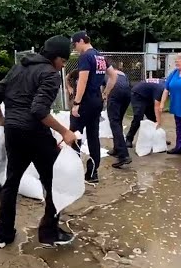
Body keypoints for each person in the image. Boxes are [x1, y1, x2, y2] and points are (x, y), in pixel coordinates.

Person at [0, 36, 77, 249]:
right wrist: (65, 131)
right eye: (63, 61)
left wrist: (2, 118)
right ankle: (49, 232)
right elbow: (38, 110)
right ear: (55, 57)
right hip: (35, 133)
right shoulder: (50, 74)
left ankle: (3, 234)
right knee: (55, 181)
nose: (63, 66)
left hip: (13, 132)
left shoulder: (19, 67)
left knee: (12, 182)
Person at [69, 31, 118, 183]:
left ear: (81, 41)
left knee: (73, 135)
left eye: (75, 44)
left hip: (85, 101)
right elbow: (113, 76)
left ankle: (73, 172)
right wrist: (105, 93)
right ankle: (92, 173)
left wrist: (76, 103)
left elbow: (82, 81)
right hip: (97, 100)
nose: (75, 48)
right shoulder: (100, 56)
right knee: (93, 137)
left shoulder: (85, 56)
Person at [102, 67, 132, 168]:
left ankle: (123, 155)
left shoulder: (103, 73)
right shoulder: (122, 73)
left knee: (114, 123)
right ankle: (116, 149)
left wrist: (104, 96)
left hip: (115, 92)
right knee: (118, 122)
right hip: (127, 94)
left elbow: (102, 88)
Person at [124, 77, 166, 148]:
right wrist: (159, 121)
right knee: (138, 117)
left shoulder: (164, 84)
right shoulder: (161, 88)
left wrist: (157, 120)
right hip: (138, 95)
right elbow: (157, 106)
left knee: (153, 118)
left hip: (148, 96)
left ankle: (158, 139)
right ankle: (129, 139)